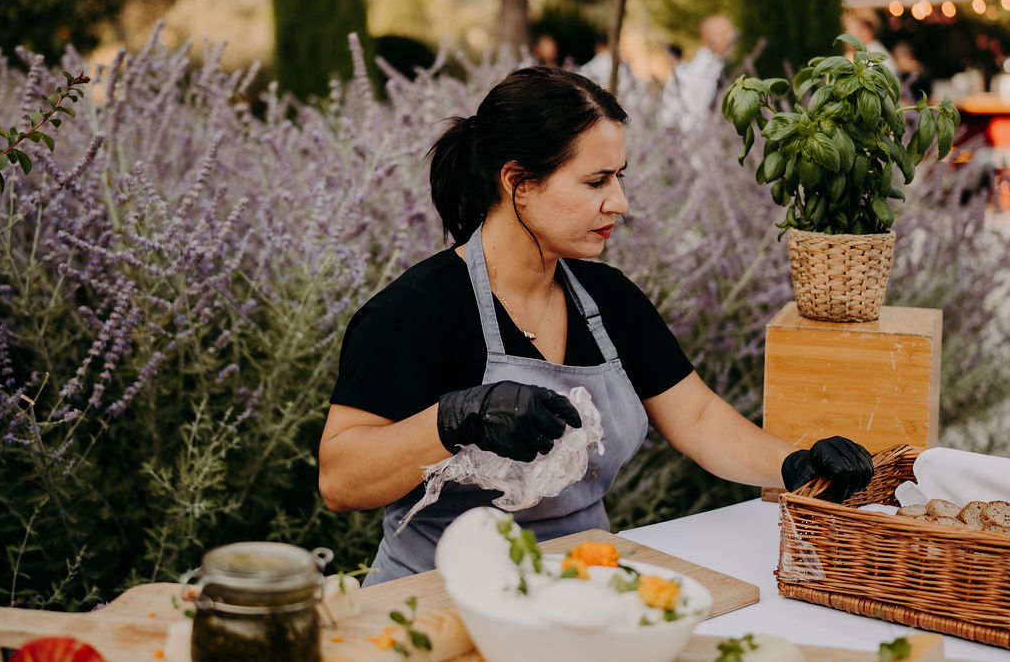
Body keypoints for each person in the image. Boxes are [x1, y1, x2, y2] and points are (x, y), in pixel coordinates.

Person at [319, 66, 873, 583]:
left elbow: (698, 418)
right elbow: (340, 481)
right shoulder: (417, 310)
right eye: (596, 181)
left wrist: (794, 464)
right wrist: (455, 418)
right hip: (437, 598)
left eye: (619, 177)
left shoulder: (609, 299)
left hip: (582, 586)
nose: (621, 203)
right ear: (519, 182)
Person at [661, 14, 738, 131]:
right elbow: (692, 117)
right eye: (724, 33)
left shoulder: (717, 68)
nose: (732, 36)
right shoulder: (700, 72)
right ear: (707, 37)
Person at [840, 8, 898, 76]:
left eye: (849, 29)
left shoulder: (868, 56)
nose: (844, 35)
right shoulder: (875, 51)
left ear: (866, 31)